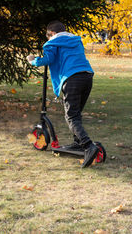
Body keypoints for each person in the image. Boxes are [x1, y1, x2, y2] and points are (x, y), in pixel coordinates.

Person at [27, 20, 99, 168]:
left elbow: (48, 59)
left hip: (72, 78)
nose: (48, 39)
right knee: (76, 113)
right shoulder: (75, 40)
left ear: (51, 34)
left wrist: (33, 61)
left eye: (48, 37)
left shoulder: (52, 42)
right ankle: (77, 143)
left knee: (71, 117)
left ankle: (88, 145)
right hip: (87, 76)